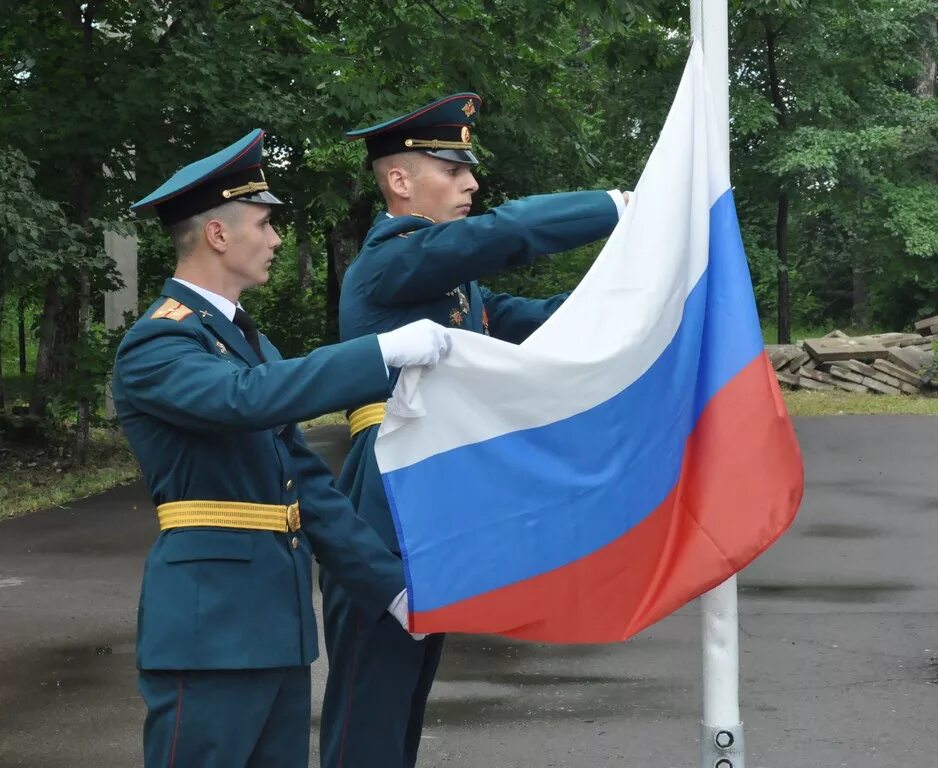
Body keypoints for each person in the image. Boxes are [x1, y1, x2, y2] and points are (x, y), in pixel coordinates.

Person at [111, 129, 452, 768]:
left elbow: (309, 489)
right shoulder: (159, 344)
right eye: (265, 224)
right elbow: (244, 399)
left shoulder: (251, 346)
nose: (274, 239)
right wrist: (378, 352)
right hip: (207, 633)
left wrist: (393, 590)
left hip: (278, 632)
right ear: (218, 234)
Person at [318, 93, 628, 768]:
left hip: (428, 491)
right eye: (453, 170)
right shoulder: (392, 260)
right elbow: (501, 234)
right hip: (386, 494)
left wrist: (646, 291)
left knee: (403, 701)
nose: (472, 184)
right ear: (400, 181)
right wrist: (620, 206)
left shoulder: (454, 289)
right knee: (369, 711)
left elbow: (546, 320)